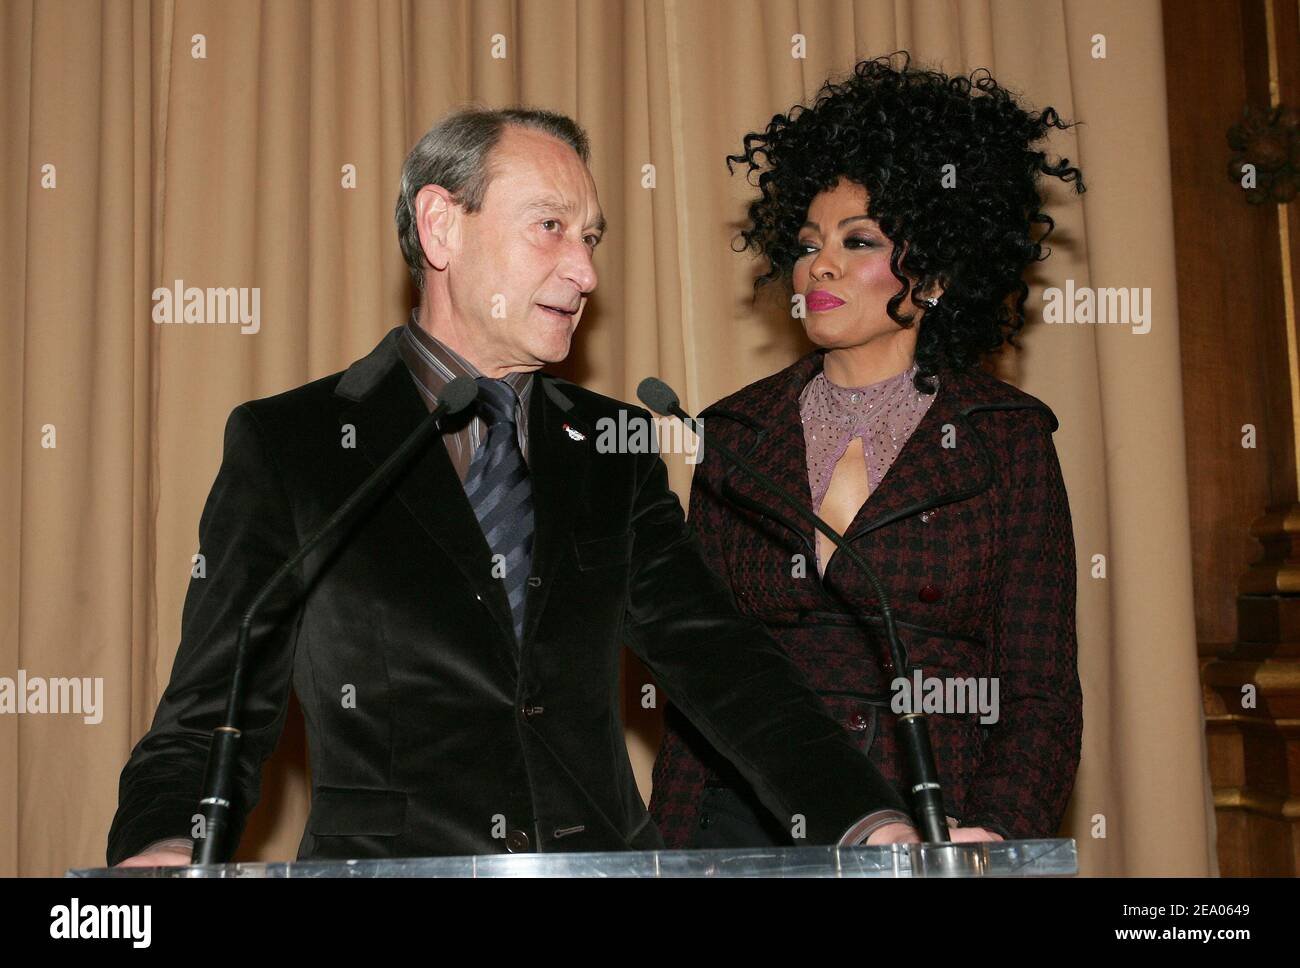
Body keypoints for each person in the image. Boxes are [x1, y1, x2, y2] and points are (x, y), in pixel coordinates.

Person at [107, 106, 922, 868]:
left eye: (593, 238)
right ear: (440, 226)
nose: (586, 269)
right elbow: (214, 708)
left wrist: (868, 819)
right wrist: (169, 843)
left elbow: (725, 664)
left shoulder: (615, 444)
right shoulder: (297, 446)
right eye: (551, 229)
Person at [650, 53, 1085, 848]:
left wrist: (995, 832)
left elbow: (1041, 693)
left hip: (929, 819)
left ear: (940, 274)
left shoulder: (1007, 438)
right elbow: (698, 682)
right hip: (748, 826)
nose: (820, 264)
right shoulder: (733, 433)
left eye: (859, 241)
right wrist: (670, 855)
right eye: (810, 241)